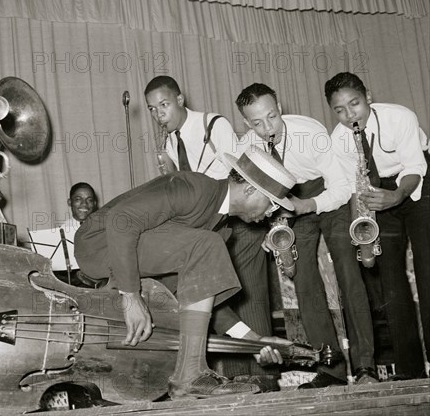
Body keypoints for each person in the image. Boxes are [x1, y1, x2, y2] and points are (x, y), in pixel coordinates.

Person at [74, 145, 297, 399]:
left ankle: (188, 377)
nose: (271, 213)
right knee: (206, 245)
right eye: (271, 203)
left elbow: (199, 298)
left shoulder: (220, 228)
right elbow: (120, 220)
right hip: (98, 244)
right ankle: (189, 375)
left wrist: (254, 340)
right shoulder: (194, 189)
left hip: (128, 253)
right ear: (250, 189)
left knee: (205, 247)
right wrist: (131, 296)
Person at [236, 82, 377, 387]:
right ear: (247, 122)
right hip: (289, 205)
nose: (267, 128)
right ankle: (331, 369)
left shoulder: (310, 132)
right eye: (257, 122)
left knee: (348, 273)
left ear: (280, 109)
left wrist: (306, 205)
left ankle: (366, 368)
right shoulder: (247, 145)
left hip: (327, 197)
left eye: (272, 117)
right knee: (305, 284)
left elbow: (340, 188)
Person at [144, 76, 273, 387]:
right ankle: (232, 377)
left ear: (180, 99)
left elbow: (231, 175)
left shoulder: (214, 125)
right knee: (211, 295)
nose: (159, 114)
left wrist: (186, 183)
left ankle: (264, 378)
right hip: (208, 227)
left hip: (238, 220)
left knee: (246, 296)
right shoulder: (171, 141)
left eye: (163, 105)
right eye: (152, 109)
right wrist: (171, 176)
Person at [326, 72, 429, 379]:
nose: (349, 115)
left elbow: (415, 168)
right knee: (391, 282)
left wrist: (396, 196)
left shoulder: (400, 117)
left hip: (417, 184)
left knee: (427, 271)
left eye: (354, 104)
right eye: (339, 110)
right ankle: (410, 370)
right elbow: (353, 186)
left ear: (368, 97)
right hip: (377, 192)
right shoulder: (338, 139)